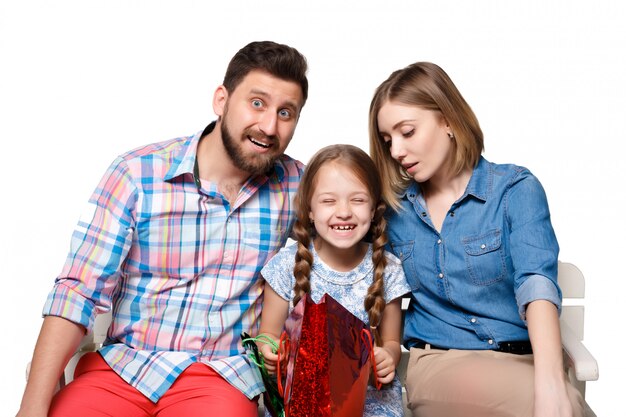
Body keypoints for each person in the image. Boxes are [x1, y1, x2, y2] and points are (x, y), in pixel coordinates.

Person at [17, 40, 309, 417]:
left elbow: (355, 234)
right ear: (221, 100)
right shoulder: (137, 173)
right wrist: (32, 406)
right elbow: (78, 291)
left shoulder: (298, 186)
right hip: (122, 371)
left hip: (220, 377)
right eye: (257, 103)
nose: (269, 126)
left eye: (286, 113)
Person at [368, 62, 585, 417]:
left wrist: (551, 382)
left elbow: (536, 283)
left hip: (524, 362)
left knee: (557, 403)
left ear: (448, 120)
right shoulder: (393, 213)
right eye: (387, 140)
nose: (395, 151)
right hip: (440, 363)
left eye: (407, 132)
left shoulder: (515, 189)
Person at [257, 144, 411, 417]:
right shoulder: (286, 266)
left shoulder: (388, 270)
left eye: (358, 200)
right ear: (310, 211)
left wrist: (388, 357)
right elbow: (268, 335)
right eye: (329, 201)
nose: (344, 212)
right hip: (303, 401)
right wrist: (269, 353)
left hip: (369, 402)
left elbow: (390, 342)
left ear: (375, 210)